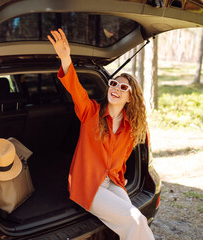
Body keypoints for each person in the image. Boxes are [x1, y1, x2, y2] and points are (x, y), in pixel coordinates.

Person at [48, 29, 155, 240]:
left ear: (130, 98)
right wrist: (65, 58)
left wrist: (117, 179)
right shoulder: (91, 112)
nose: (115, 87)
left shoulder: (129, 128)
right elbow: (76, 89)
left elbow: (121, 161)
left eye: (123, 87)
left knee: (132, 225)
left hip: (113, 182)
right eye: (113, 83)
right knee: (136, 220)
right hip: (88, 185)